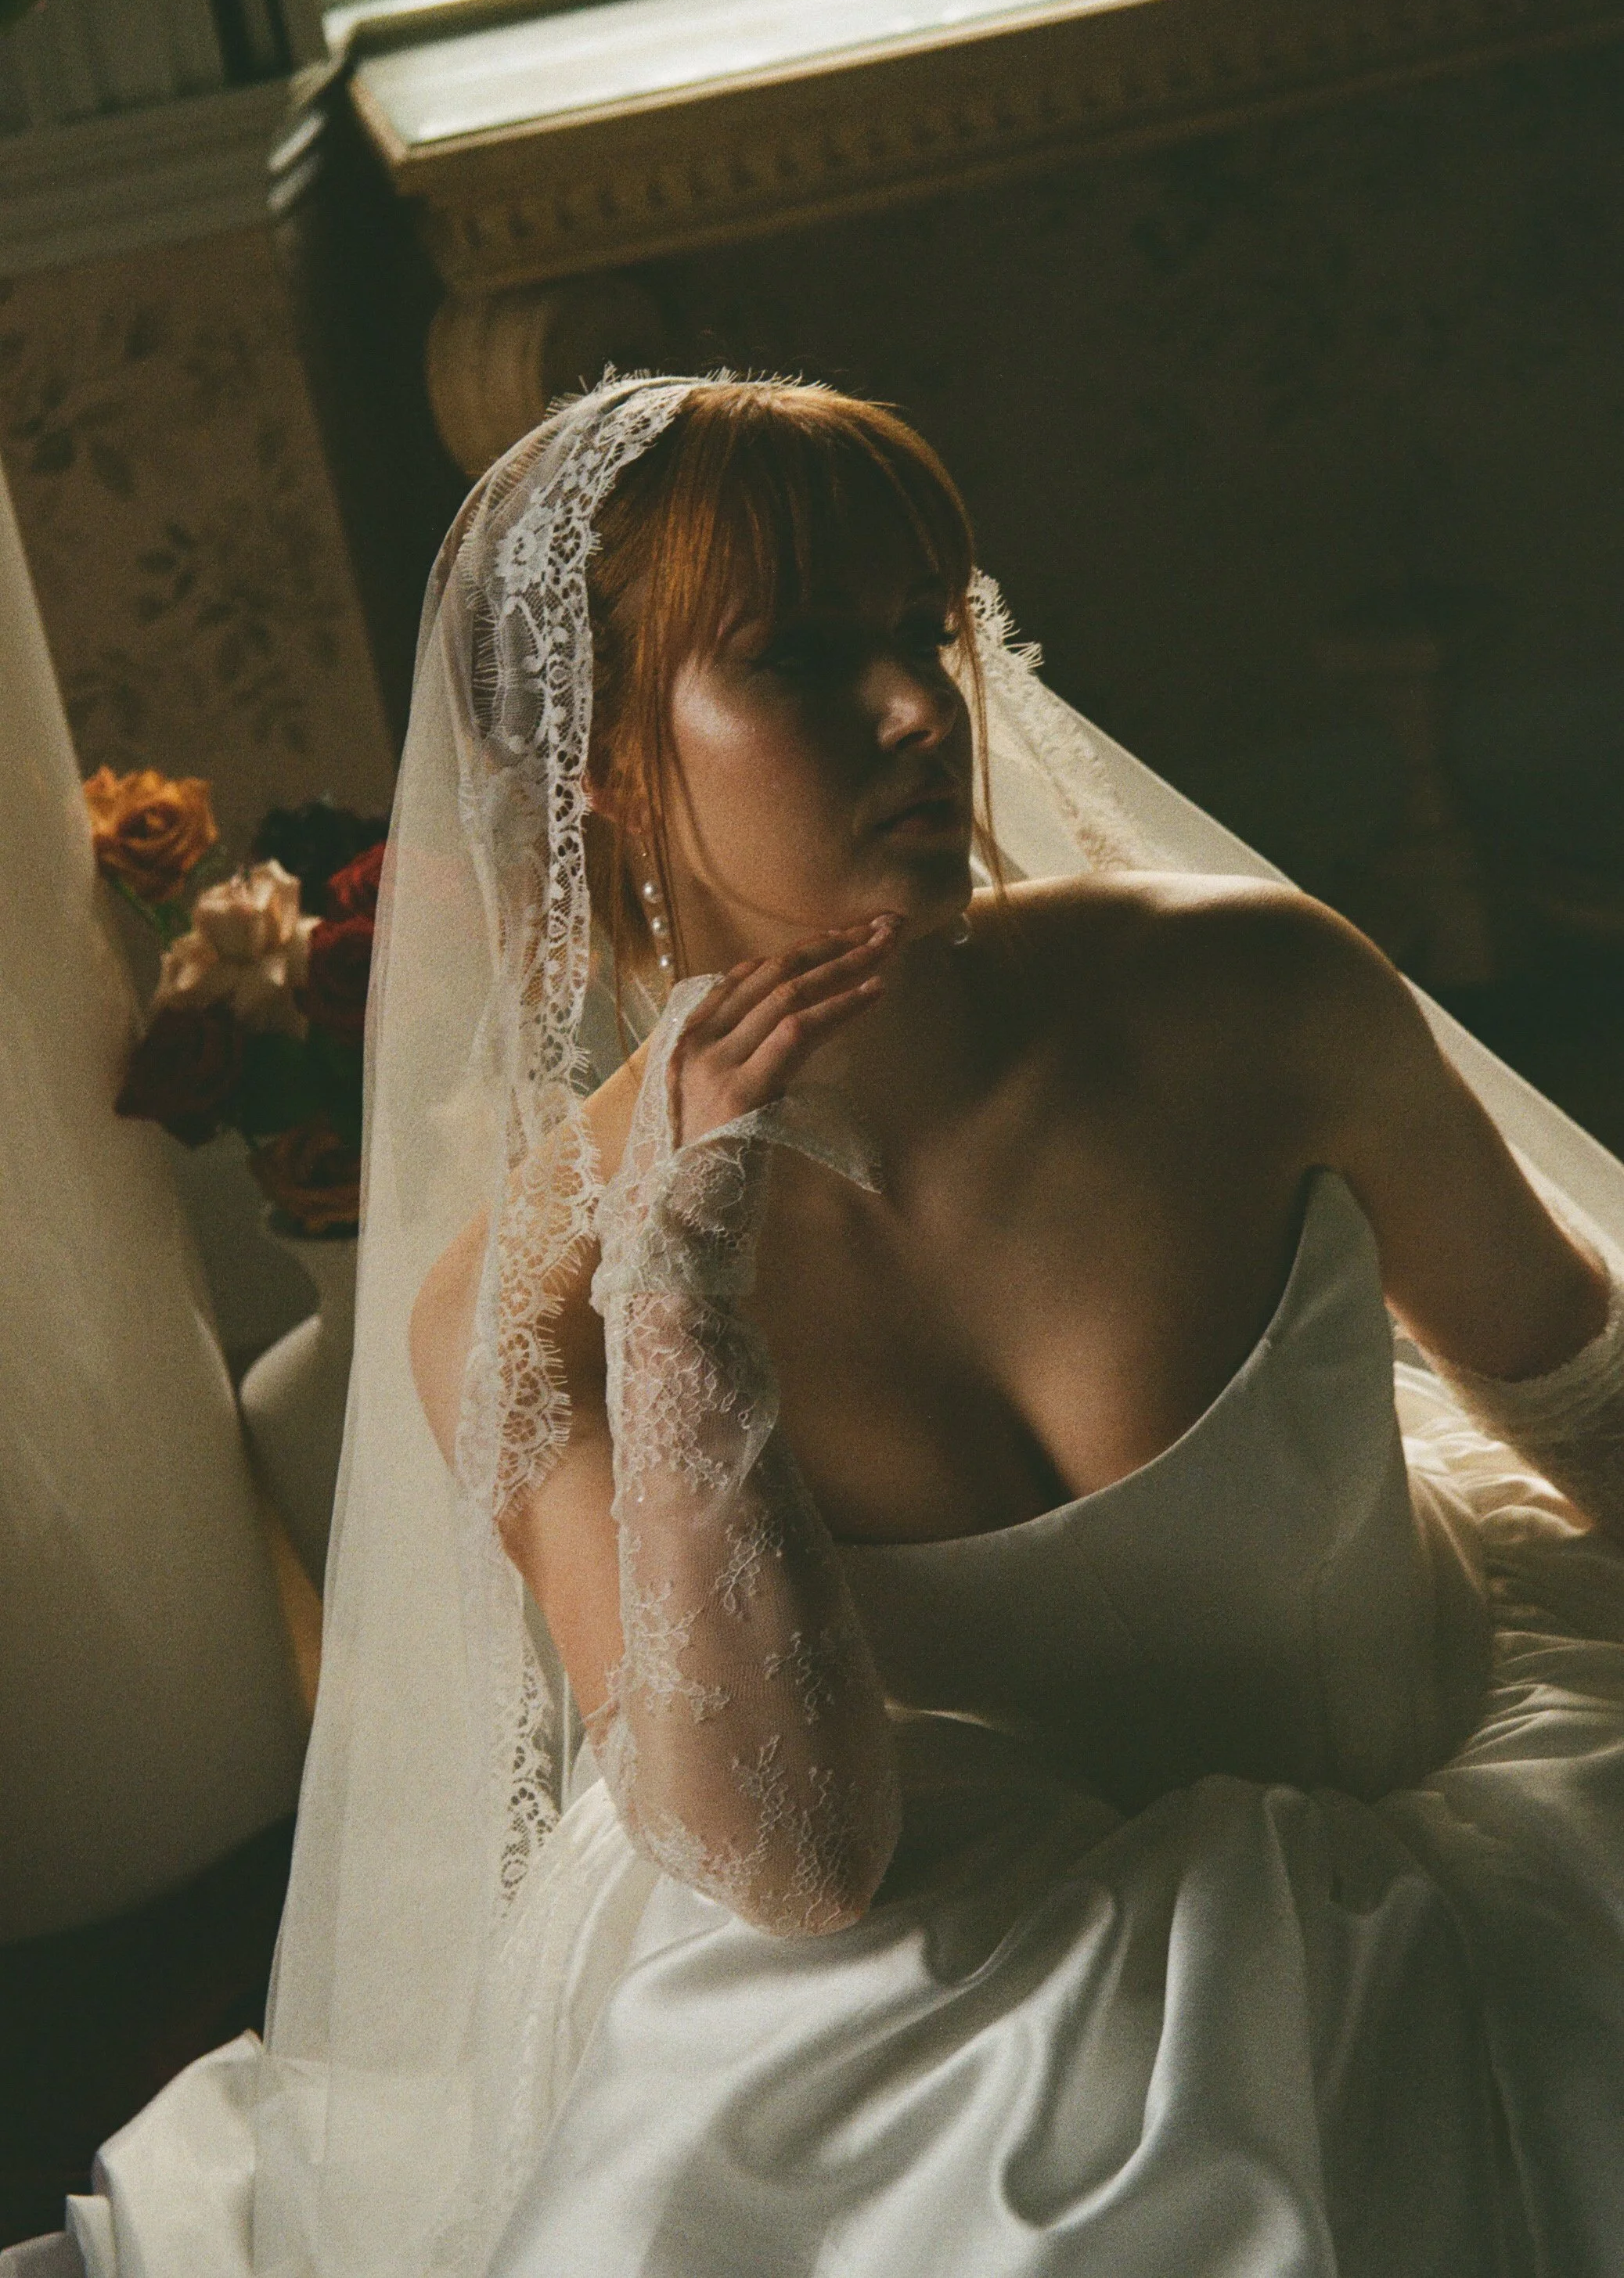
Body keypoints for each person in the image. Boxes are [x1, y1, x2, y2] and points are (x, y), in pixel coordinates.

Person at [53, 373, 1624, 2278]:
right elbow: (787, 1861)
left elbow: (1581, 1394)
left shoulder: (1251, 987)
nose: (912, 708)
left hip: (1479, 1803)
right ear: (613, 774)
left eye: (916, 629)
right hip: (954, 2016)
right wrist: (678, 1306)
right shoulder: (514, 1305)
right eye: (798, 656)